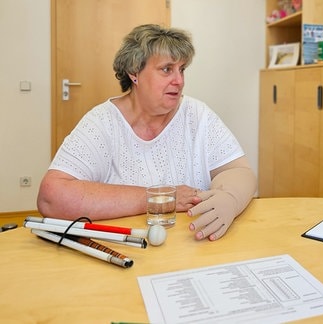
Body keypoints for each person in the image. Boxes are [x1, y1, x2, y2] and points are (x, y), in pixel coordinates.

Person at [37, 24, 257, 241]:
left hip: (192, 244)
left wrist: (230, 198)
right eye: (166, 69)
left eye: (182, 69)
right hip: (129, 250)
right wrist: (157, 198)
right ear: (134, 72)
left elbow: (239, 170)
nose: (179, 81)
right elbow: (52, 197)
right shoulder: (103, 122)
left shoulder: (197, 114)